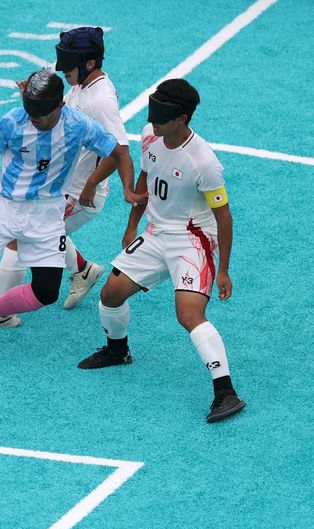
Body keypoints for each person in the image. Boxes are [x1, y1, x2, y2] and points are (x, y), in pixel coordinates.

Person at [0, 66, 142, 369]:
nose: (35, 120)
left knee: (46, 292)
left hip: (47, 215)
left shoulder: (79, 126)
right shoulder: (12, 122)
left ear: (60, 105)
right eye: (30, 112)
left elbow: (118, 151)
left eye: (42, 114)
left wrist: (116, 185)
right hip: (4, 208)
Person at [77, 79, 246, 423]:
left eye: (162, 115)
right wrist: (131, 225)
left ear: (182, 118)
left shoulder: (204, 162)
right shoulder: (150, 136)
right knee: (110, 294)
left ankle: (225, 391)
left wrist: (223, 269)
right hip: (156, 234)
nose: (154, 119)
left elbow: (223, 217)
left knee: (188, 315)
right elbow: (146, 178)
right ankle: (117, 350)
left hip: (192, 240)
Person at [0, 26, 130, 328]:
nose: (63, 71)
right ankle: (82, 269)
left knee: (20, 237)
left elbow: (119, 149)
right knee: (43, 232)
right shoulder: (82, 86)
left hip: (80, 193)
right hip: (62, 187)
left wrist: (92, 183)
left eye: (68, 65)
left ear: (89, 63)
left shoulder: (100, 101)